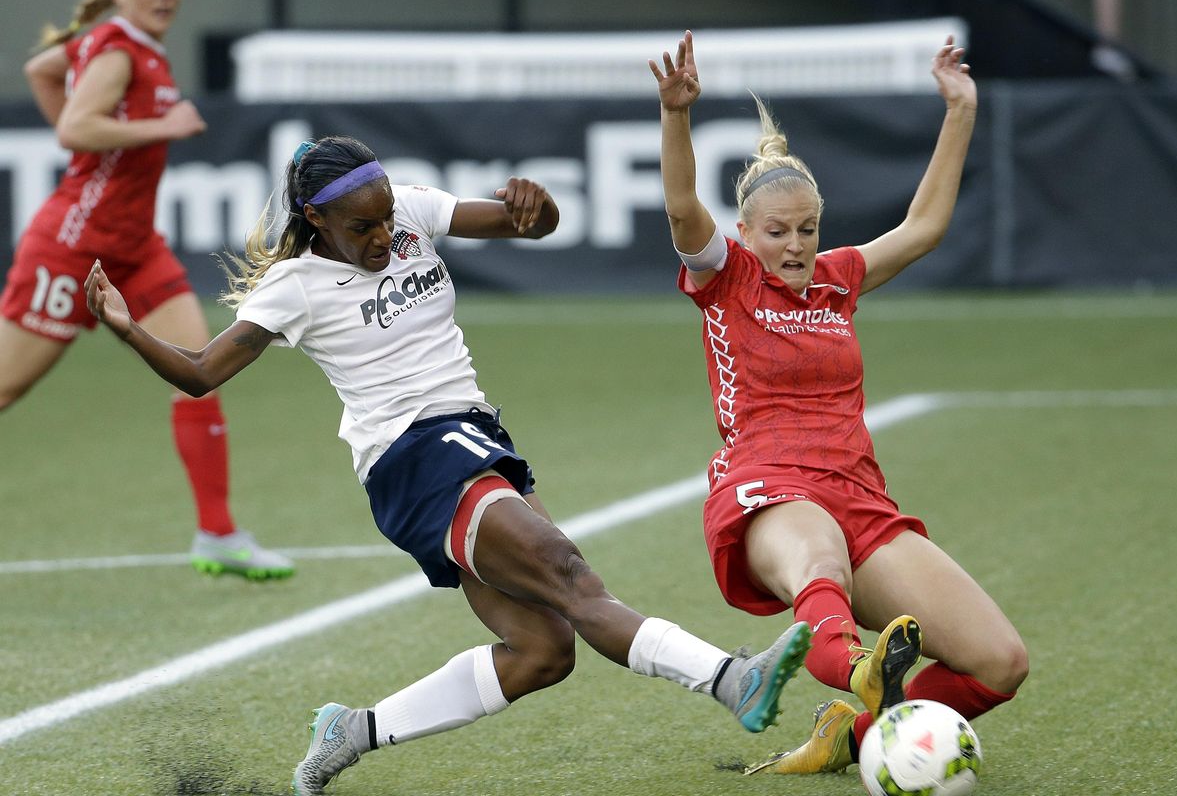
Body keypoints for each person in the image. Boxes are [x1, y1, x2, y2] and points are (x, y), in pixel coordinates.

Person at [84, 134, 815, 795]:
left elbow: (530, 225)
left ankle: (352, 731)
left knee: (541, 652)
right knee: (569, 574)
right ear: (316, 219)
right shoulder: (295, 287)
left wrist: (540, 204)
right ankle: (731, 680)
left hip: (470, 436)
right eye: (361, 227)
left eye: (385, 219)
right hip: (413, 457)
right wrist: (124, 328)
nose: (383, 235)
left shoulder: (410, 211)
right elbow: (200, 373)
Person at [649, 31, 1028, 775]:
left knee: (999, 662)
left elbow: (923, 229)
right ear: (747, 232)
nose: (795, 246)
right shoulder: (725, 277)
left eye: (807, 229)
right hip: (767, 488)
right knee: (818, 551)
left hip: (860, 496)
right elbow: (679, 205)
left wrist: (959, 110)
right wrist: (676, 116)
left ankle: (847, 738)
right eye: (777, 231)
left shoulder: (837, 279)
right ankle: (854, 665)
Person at [0, 0, 293, 579]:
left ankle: (217, 533)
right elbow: (75, 128)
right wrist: (167, 124)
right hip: (74, 244)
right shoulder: (116, 48)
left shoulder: (126, 43)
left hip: (136, 247)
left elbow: (43, 71)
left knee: (197, 374)